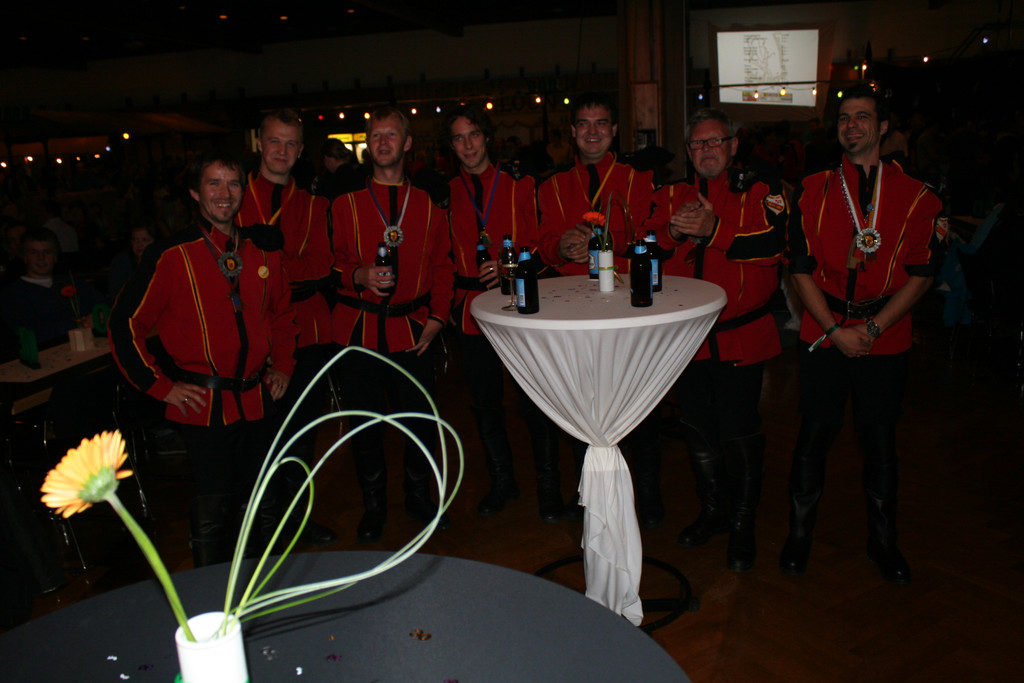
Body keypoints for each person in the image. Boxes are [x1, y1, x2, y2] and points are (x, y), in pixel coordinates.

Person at [782, 84, 945, 584]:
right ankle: (799, 536)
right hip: (824, 328)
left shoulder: (918, 196)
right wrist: (835, 330)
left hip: (885, 334)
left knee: (879, 441)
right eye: (844, 118)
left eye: (862, 116)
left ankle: (883, 541)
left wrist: (872, 327)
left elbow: (923, 274)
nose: (851, 125)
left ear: (884, 126)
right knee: (813, 436)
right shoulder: (811, 189)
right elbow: (799, 269)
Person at [109, 150, 298, 567]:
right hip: (203, 406)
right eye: (214, 183)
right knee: (215, 511)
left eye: (233, 183)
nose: (224, 193)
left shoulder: (262, 251)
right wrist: (160, 386)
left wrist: (284, 365)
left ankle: (263, 585)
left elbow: (282, 314)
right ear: (195, 192)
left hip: (259, 401)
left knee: (264, 503)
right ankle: (211, 594)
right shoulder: (170, 255)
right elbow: (124, 325)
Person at [650, 108, 787, 572]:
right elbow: (642, 249)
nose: (706, 150)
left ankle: (743, 523)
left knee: (739, 434)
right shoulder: (671, 195)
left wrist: (716, 231)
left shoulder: (761, 192)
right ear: (687, 151)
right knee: (698, 432)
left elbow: (775, 247)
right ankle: (713, 510)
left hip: (740, 336)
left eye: (715, 141)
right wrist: (671, 231)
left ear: (733, 146)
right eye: (697, 143)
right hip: (686, 341)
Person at [535, 91, 662, 525]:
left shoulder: (637, 179)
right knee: (582, 406)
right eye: (584, 124)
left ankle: (648, 496)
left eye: (601, 123)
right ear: (573, 131)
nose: (593, 132)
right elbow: (543, 243)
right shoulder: (551, 185)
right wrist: (560, 247)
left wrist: (605, 244)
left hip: (627, 308)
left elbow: (648, 237)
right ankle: (588, 497)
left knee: (638, 404)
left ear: (614, 130)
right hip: (574, 314)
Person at [330, 106, 455, 543]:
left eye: (391, 135)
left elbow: (443, 266)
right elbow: (330, 265)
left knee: (420, 422)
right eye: (375, 135)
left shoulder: (428, 205)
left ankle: (418, 497)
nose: (382, 142)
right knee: (365, 427)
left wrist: (438, 317)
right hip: (359, 333)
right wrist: (356, 275)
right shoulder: (344, 205)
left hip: (413, 331)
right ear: (367, 145)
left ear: (407, 143)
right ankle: (374, 505)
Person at [443, 102, 564, 521]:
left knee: (534, 400)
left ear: (487, 137)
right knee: (485, 403)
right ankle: (502, 481)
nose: (468, 145)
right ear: (451, 146)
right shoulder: (445, 193)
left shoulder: (521, 185)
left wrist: (511, 266)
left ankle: (549, 487)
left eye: (474, 134)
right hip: (470, 311)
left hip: (518, 305)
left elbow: (542, 244)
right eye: (459, 138)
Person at [234, 108, 338, 547]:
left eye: (291, 143)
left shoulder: (314, 204)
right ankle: (262, 525)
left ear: (300, 151)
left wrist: (268, 265)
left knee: (302, 433)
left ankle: (296, 520)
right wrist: (283, 269)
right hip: (250, 335)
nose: (282, 150)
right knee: (257, 434)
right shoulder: (234, 197)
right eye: (274, 141)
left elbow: (322, 264)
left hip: (307, 332)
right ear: (259, 143)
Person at [0, 226, 105, 346]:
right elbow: (31, 333)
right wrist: (81, 323)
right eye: (34, 252)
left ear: (55, 257)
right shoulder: (13, 294)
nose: (41, 258)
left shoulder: (72, 282)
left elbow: (103, 306)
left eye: (47, 252)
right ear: (25, 257)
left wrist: (99, 316)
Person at [107, 222, 157, 299]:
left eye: (145, 240)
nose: (139, 244)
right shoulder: (121, 262)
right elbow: (117, 293)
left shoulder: (161, 262)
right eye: (135, 240)